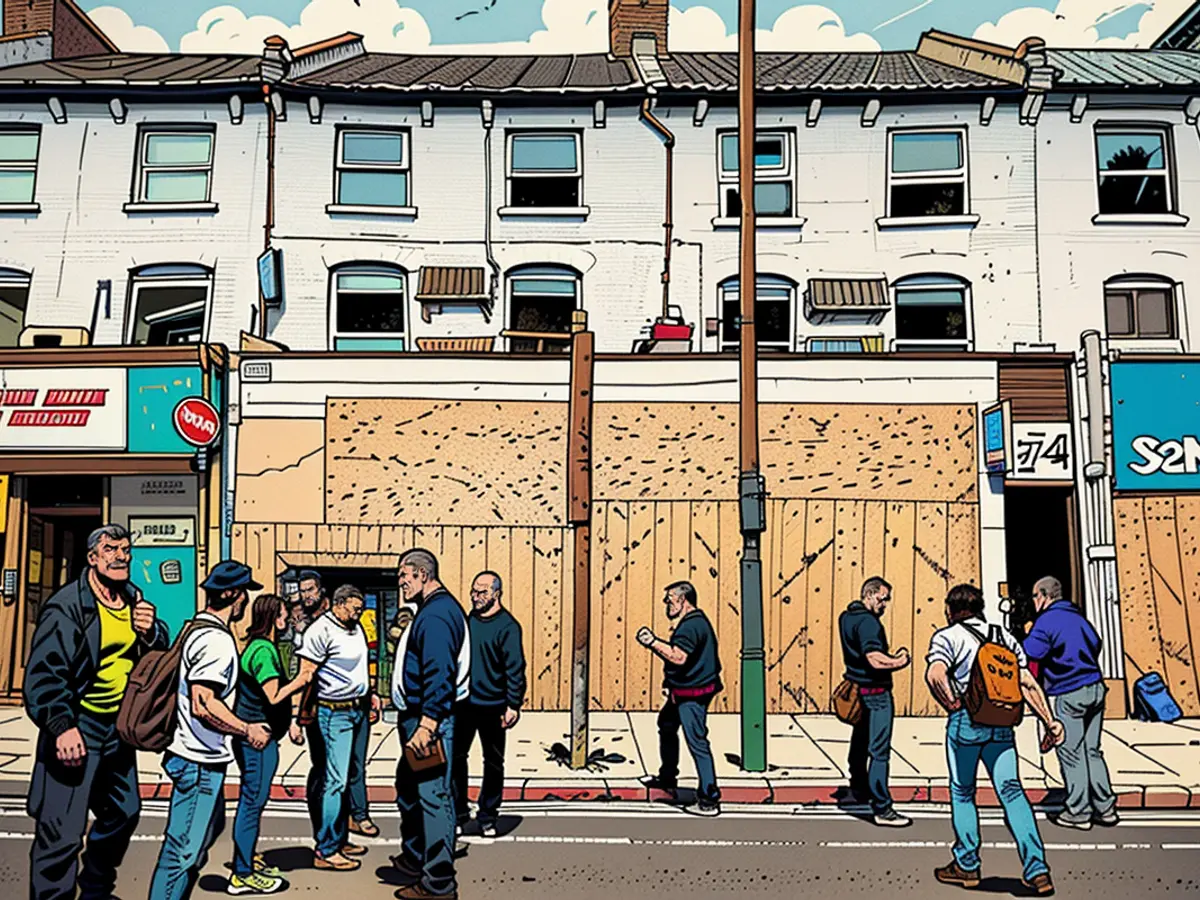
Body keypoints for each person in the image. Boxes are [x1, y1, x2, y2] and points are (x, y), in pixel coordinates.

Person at [24, 524, 168, 900]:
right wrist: (61, 726)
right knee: (62, 833)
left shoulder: (133, 598)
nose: (121, 556)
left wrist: (152, 632)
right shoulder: (68, 606)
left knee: (125, 812)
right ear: (92, 558)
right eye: (111, 550)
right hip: (78, 726)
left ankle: (95, 890)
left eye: (126, 550)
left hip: (116, 730)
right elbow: (43, 676)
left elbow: (158, 651)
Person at [925, 584, 1066, 897]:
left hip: (967, 722)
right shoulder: (1003, 636)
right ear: (981, 608)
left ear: (951, 610)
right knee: (1013, 792)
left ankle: (967, 864)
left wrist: (952, 703)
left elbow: (935, 675)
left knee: (963, 793)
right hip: (1002, 723)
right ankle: (1037, 869)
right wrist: (1049, 721)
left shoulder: (947, 637)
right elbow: (1026, 682)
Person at [149, 560, 272, 900]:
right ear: (232, 594)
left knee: (204, 834)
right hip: (198, 761)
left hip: (196, 757)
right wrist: (246, 729)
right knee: (183, 852)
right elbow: (203, 703)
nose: (246, 601)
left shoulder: (193, 628)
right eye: (244, 593)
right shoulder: (216, 641)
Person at [391, 548, 469, 900]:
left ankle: (438, 883)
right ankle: (416, 856)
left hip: (428, 720)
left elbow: (440, 673)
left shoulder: (437, 614)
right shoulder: (431, 610)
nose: (401, 584)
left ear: (422, 573)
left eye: (403, 576)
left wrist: (428, 723)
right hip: (420, 717)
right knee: (410, 790)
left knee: (433, 797)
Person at [229, 594, 315, 895]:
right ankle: (242, 873)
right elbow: (274, 695)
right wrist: (303, 679)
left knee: (254, 801)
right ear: (271, 617)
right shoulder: (263, 651)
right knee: (252, 803)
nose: (287, 619)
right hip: (257, 741)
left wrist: (288, 722)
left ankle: (247, 860)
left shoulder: (258, 646)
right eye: (282, 614)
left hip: (261, 738)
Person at [291, 584, 380, 872]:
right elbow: (306, 675)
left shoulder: (355, 628)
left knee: (352, 772)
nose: (359, 613)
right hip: (334, 713)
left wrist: (372, 693)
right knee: (336, 781)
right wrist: (297, 717)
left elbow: (361, 665)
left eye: (360, 608)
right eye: (354, 608)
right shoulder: (320, 631)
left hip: (359, 708)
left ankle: (340, 840)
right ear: (339, 604)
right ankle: (326, 849)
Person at [1024, 576, 1118, 831]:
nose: (1034, 602)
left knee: (1071, 752)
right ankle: (1106, 808)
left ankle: (1078, 812)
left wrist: (1028, 633)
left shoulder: (1046, 622)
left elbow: (1030, 653)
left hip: (1069, 691)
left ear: (1044, 596)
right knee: (1092, 751)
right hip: (1096, 687)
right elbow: (1096, 643)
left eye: (1035, 596)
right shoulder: (1079, 618)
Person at [635, 581, 722, 817]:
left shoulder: (691, 627)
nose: (666, 604)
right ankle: (667, 778)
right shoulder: (695, 622)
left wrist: (651, 642)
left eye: (670, 598)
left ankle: (709, 799)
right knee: (666, 725)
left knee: (697, 741)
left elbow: (679, 657)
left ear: (683, 599)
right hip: (683, 691)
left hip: (692, 695)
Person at [453, 571, 526, 838]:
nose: (476, 596)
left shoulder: (507, 626)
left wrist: (513, 704)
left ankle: (487, 816)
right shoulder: (467, 621)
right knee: (457, 760)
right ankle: (459, 814)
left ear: (497, 593)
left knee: (493, 763)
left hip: (494, 706)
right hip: (464, 704)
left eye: (482, 591)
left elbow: (515, 668)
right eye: (474, 591)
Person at [837, 576, 912, 827]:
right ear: (869, 595)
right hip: (876, 693)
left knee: (859, 742)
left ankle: (859, 787)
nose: (885, 604)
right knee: (879, 752)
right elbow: (874, 659)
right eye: (883, 598)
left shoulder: (846, 617)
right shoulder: (869, 623)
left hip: (857, 690)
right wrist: (900, 660)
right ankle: (883, 808)